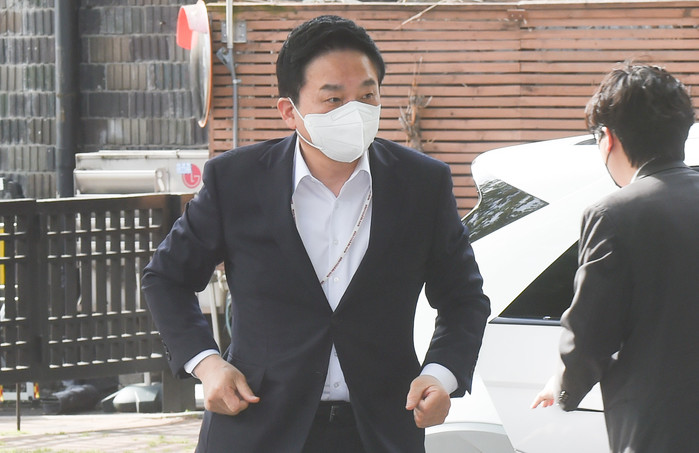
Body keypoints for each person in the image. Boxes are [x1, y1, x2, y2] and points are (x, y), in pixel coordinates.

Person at [142, 15, 490, 453]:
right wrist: (207, 364)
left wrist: (441, 374)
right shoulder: (236, 180)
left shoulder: (421, 184)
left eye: (367, 95)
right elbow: (166, 278)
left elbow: (463, 297)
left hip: (380, 428)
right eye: (334, 99)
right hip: (256, 425)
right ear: (290, 111)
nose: (354, 112)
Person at [531, 63, 699, 452]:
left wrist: (564, 386)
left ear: (607, 139)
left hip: (662, 432)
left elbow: (591, 331)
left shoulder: (613, 215)